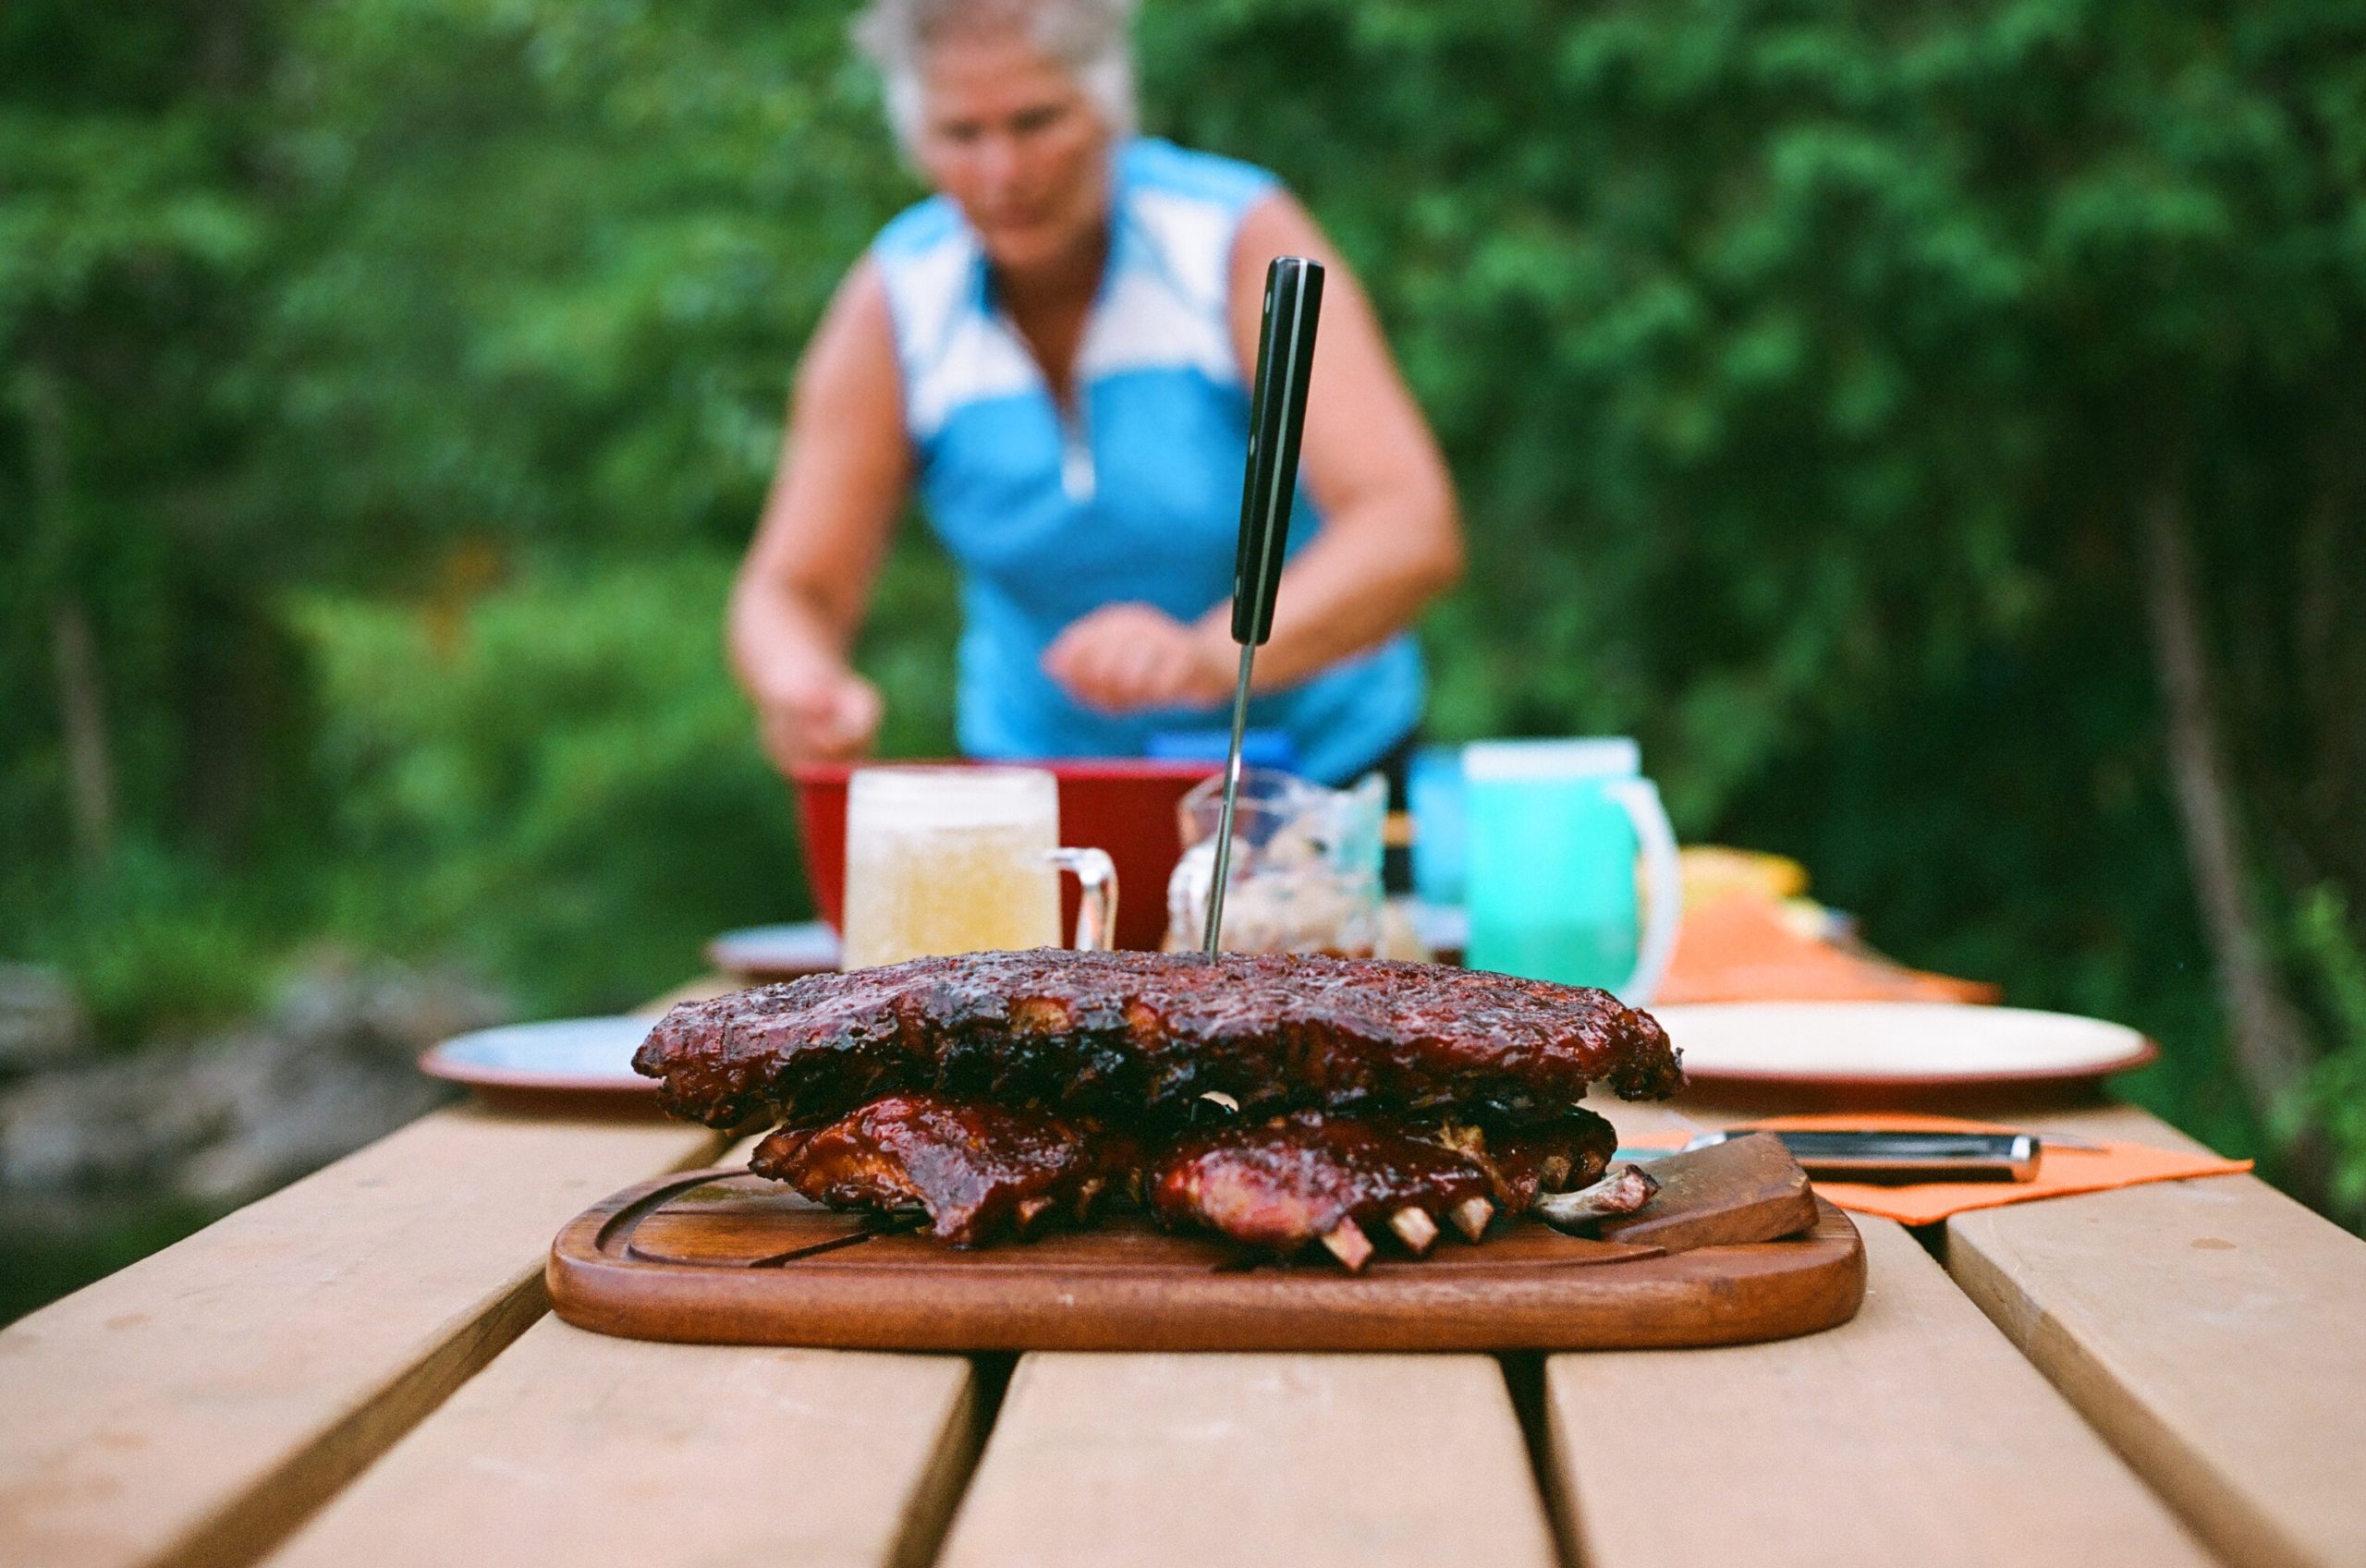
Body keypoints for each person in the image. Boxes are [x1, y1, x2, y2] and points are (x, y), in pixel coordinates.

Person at [730, 0, 1463, 787]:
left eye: (1036, 122)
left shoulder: (1233, 242)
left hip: (1307, 778)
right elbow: (790, 590)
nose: (1002, 171)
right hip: (1044, 789)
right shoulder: (898, 298)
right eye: (961, 135)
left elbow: (1407, 527)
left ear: (1111, 111)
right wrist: (801, 684)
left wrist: (1207, 656)